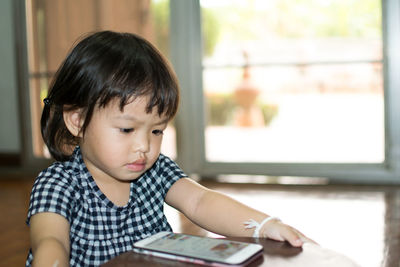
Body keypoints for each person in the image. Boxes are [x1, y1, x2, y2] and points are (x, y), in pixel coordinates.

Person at [26, 31, 311, 267]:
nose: (144, 146)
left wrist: (263, 226)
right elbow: (51, 243)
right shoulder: (60, 184)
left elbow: (200, 202)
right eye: (127, 129)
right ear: (77, 120)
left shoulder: (155, 171)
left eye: (157, 130)